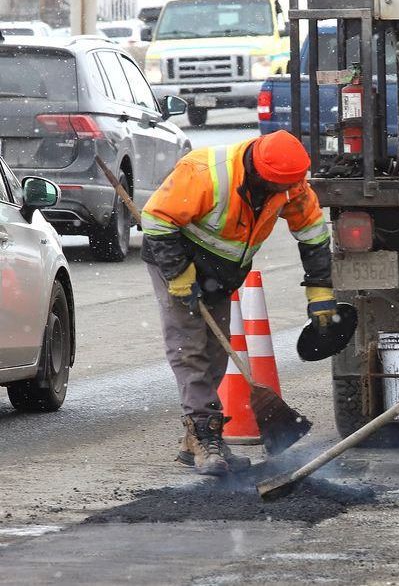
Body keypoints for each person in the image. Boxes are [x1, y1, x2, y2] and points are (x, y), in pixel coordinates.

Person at [141, 130, 337, 476]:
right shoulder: (205, 171)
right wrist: (179, 274)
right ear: (258, 172)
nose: (282, 195)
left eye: (287, 188)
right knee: (189, 347)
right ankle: (205, 433)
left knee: (217, 350)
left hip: (222, 273)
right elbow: (157, 220)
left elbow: (312, 233)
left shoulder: (290, 184)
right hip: (176, 259)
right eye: (275, 188)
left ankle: (194, 441)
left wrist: (320, 290)